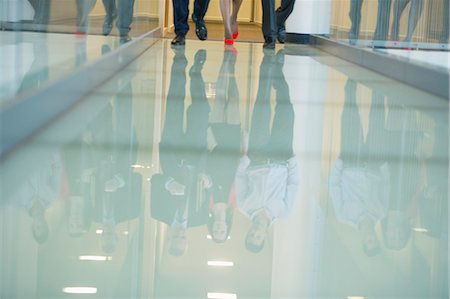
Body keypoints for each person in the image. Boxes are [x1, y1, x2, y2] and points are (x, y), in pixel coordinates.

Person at [236, 50, 299, 253]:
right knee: (286, 110)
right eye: (258, 237)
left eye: (251, 235)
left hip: (258, 155)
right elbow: (293, 184)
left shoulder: (244, 206)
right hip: (282, 157)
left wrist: (248, 156)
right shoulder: (283, 211)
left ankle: (267, 63)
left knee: (262, 104)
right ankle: (277, 71)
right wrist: (292, 162)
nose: (256, 233)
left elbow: (240, 177)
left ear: (247, 232)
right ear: (265, 237)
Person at [150, 49, 211, 255]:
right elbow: (208, 189)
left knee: (174, 104)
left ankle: (179, 64)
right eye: (182, 238)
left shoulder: (158, 213)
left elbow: (155, 181)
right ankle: (196, 72)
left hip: (172, 151)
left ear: (168, 237)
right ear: (188, 241)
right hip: (196, 154)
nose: (180, 234)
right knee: (201, 109)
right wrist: (206, 179)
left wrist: (168, 183)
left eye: (175, 237)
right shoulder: (201, 218)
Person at [329, 80, 390, 257]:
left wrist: (340, 162)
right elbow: (386, 186)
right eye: (375, 240)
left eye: (369, 241)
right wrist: (383, 166)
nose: (372, 237)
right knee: (378, 117)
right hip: (374, 163)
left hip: (351, 162)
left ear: (363, 241)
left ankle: (352, 78)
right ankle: (378, 80)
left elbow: (334, 186)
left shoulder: (343, 216)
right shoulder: (381, 211)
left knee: (350, 114)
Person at [206, 48, 241, 243]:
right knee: (234, 98)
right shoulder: (233, 205)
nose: (220, 229)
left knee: (220, 96)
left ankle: (225, 61)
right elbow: (240, 173)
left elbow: (203, 169)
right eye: (223, 232)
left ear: (212, 228)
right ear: (227, 228)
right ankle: (232, 69)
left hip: (216, 141)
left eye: (216, 232)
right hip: (232, 144)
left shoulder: (206, 204)